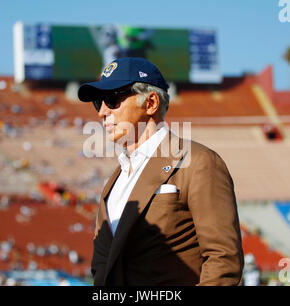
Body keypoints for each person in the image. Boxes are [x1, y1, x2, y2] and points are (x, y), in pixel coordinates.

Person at [78, 57, 243, 286]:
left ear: (151, 103)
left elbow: (223, 259)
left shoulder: (198, 162)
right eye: (98, 102)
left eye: (112, 99)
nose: (101, 112)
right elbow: (103, 267)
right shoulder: (114, 181)